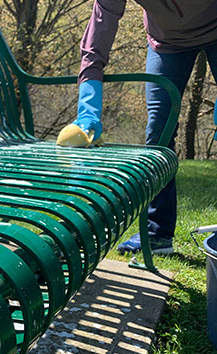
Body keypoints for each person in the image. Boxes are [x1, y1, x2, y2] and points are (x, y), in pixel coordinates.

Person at [73, 0, 217, 255]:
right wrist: (88, 102)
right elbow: (101, 26)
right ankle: (157, 233)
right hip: (168, 43)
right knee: (158, 135)